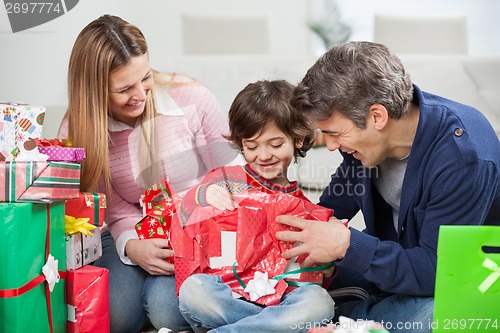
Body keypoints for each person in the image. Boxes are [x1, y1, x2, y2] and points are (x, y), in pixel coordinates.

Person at [275, 41, 500, 333]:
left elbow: (436, 270)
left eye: (335, 134)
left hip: (459, 276)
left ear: (377, 116)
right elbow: (329, 208)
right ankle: (344, 315)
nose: (330, 146)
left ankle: (344, 319)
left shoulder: (461, 157)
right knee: (289, 276)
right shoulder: (363, 145)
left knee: (439, 316)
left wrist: (345, 244)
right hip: (397, 259)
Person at [58, 15, 243, 333]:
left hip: (199, 230)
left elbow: (233, 173)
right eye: (124, 89)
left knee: (167, 311)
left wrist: (199, 219)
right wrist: (132, 247)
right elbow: (113, 208)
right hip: (133, 232)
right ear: (95, 92)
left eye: (145, 78)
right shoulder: (80, 131)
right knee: (115, 317)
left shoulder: (190, 98)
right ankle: (144, 295)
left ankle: (153, 301)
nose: (141, 94)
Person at [176, 80, 336, 333]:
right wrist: (202, 194)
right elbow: (182, 217)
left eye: (275, 145)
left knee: (319, 302)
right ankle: (274, 328)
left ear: (298, 139)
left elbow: (315, 273)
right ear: (241, 143)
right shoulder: (226, 180)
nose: (263, 156)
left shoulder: (304, 209)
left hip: (283, 298)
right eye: (251, 146)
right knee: (193, 290)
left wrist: (327, 266)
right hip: (229, 293)